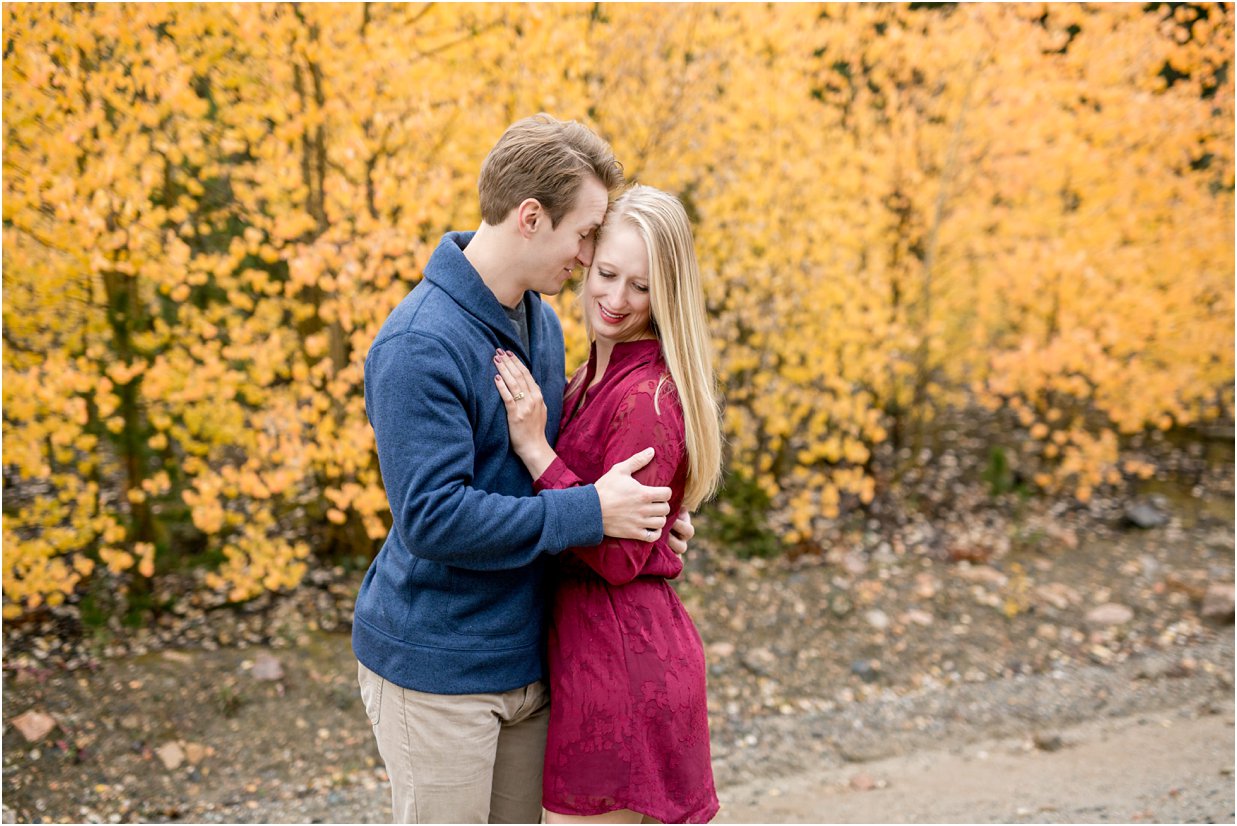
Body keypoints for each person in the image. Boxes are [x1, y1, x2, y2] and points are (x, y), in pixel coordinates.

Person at [353, 116, 695, 824]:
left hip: (528, 658)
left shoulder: (539, 324)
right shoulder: (418, 345)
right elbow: (433, 517)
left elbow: (567, 466)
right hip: (439, 669)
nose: (588, 254)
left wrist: (650, 530)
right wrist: (591, 512)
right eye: (585, 235)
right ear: (531, 218)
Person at [494, 185, 722, 824]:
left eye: (642, 287)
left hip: (620, 672)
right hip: (592, 655)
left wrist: (539, 452)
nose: (616, 300)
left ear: (667, 295)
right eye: (607, 273)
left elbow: (620, 557)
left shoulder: (645, 396)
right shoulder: (592, 377)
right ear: (585, 258)